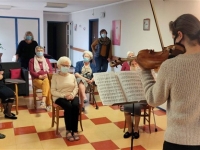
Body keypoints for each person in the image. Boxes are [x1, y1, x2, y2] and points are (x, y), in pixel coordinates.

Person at [140, 14, 200, 150]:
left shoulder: (171, 66)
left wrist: (144, 71)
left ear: (179, 35)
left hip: (178, 141)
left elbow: (153, 99)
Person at [51, 56, 79, 142]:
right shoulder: (55, 76)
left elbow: (76, 88)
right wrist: (64, 95)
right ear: (59, 66)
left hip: (72, 95)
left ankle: (75, 130)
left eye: (67, 65)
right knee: (68, 106)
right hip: (60, 97)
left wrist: (72, 95)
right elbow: (53, 91)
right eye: (64, 65)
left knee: (75, 106)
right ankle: (68, 130)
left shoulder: (72, 76)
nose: (66, 67)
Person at [122, 58, 147, 139]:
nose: (134, 64)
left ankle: (136, 129)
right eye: (132, 63)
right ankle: (129, 129)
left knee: (136, 107)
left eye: (136, 63)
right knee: (126, 108)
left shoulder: (143, 71)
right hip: (131, 94)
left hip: (142, 95)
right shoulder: (128, 72)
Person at [29, 46, 52, 111]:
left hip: (45, 78)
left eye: (41, 51)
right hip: (36, 79)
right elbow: (31, 71)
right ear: (35, 51)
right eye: (38, 51)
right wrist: (39, 76)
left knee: (46, 82)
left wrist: (46, 74)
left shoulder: (47, 60)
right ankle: (48, 104)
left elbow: (50, 70)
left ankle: (43, 101)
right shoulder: (32, 60)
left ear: (43, 52)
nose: (39, 52)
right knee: (47, 86)